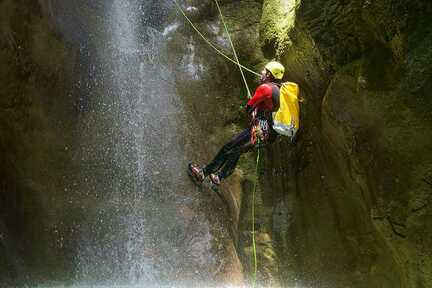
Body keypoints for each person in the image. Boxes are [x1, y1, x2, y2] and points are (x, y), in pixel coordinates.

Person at [189, 61, 285, 186]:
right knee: (237, 151)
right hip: (268, 134)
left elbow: (248, 108)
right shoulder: (278, 90)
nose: (261, 72)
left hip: (257, 130)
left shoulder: (265, 88)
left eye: (264, 70)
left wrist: (251, 105)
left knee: (228, 147)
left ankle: (203, 173)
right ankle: (219, 177)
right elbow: (267, 108)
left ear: (269, 74)